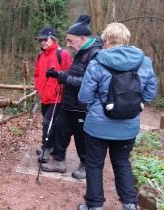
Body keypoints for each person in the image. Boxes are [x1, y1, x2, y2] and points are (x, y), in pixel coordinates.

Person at [77, 22, 157, 210]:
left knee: (94, 165)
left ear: (106, 40)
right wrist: (134, 103)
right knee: (122, 162)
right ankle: (129, 204)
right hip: (128, 126)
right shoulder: (144, 62)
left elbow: (84, 96)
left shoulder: (97, 62)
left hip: (97, 126)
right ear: (126, 40)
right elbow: (150, 94)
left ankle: (94, 206)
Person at [40, 15, 103, 179]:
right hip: (68, 102)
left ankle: (85, 165)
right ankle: (58, 161)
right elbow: (74, 73)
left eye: (70, 40)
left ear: (82, 38)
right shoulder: (80, 51)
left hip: (82, 106)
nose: (67, 44)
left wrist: (64, 77)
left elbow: (89, 82)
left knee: (82, 137)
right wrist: (59, 74)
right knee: (60, 130)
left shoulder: (95, 54)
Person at [33, 26, 72, 163]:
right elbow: (37, 74)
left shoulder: (62, 54)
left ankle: (46, 148)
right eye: (40, 40)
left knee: (47, 123)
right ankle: (51, 146)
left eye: (45, 39)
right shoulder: (40, 55)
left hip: (57, 96)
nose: (42, 42)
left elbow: (70, 74)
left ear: (52, 39)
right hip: (45, 96)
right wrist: (39, 89)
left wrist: (61, 87)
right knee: (50, 124)